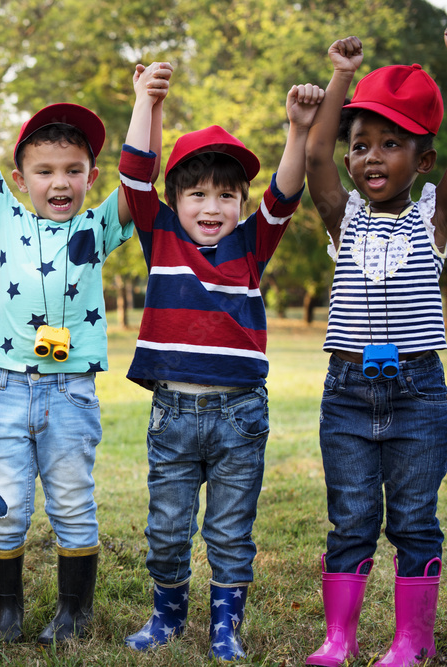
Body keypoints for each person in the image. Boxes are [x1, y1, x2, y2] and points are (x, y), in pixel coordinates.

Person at [118, 61, 323, 660]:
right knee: (166, 532)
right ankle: (166, 617)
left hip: (239, 417)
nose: (212, 206)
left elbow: (286, 192)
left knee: (231, 532)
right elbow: (135, 175)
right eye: (197, 194)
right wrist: (146, 102)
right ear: (175, 200)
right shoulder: (160, 235)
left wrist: (297, 128)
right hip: (173, 415)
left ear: (240, 202)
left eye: (226, 195)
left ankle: (225, 627)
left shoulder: (251, 244)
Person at [0, 44, 137, 645]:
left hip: (71, 392)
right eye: (46, 171)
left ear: (89, 177)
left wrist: (145, 103)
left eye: (73, 170)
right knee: (2, 503)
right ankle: (6, 610)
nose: (60, 181)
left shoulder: (96, 228)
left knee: (73, 501)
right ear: (21, 178)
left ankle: (73, 614)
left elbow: (138, 177)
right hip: (4, 384)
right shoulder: (5, 215)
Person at [303, 36, 447, 667]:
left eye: (391, 144)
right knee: (351, 520)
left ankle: (411, 641)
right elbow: (314, 155)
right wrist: (341, 77)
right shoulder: (345, 218)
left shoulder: (432, 221)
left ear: (423, 161)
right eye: (361, 144)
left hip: (418, 396)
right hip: (348, 394)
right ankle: (340, 639)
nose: (370, 157)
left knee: (415, 521)